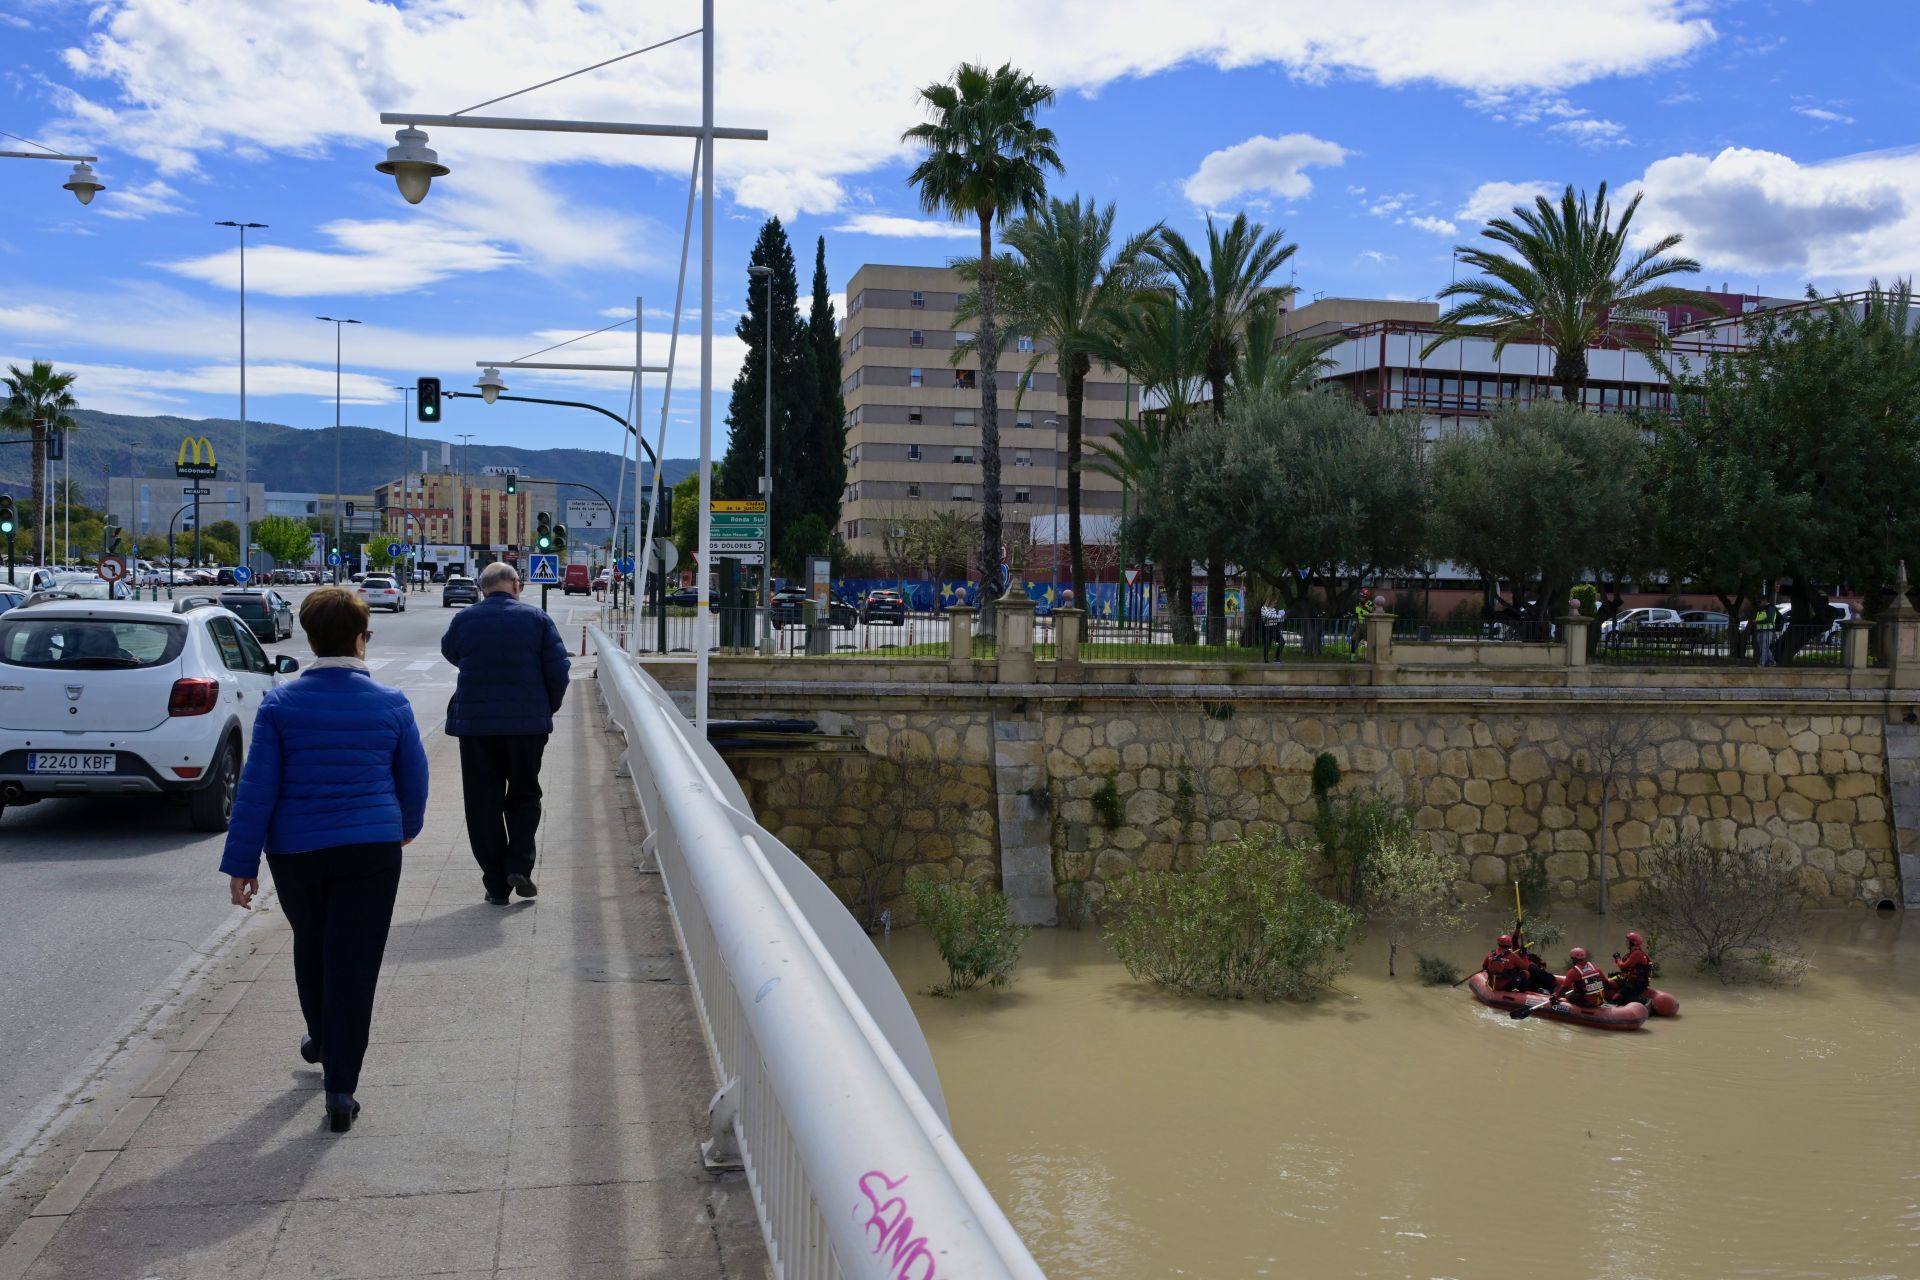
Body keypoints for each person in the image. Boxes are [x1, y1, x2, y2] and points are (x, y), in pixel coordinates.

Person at [222, 587, 428, 1134]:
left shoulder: (280, 705)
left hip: (297, 851)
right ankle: (340, 1089)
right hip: (371, 848)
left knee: (312, 945)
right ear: (362, 639)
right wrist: (404, 829)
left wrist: (242, 863)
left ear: (310, 640)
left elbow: (256, 789)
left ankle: (321, 1036)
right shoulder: (392, 703)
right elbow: (414, 780)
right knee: (355, 963)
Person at [442, 561, 570, 905]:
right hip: (527, 727)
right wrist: (545, 708)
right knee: (525, 794)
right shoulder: (537, 619)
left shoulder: (464, 619)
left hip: (476, 727)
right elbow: (559, 671)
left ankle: (496, 885)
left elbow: (451, 651)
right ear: (515, 585)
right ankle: (519, 866)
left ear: (482, 588)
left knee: (482, 804)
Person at [1612, 931, 1653, 1005]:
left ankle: (1644, 1001)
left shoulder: (1637, 954)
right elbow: (1624, 969)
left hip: (1637, 984)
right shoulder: (1633, 953)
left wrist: (1618, 958)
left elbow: (1622, 966)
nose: (1626, 942)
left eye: (1628, 941)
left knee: (1616, 998)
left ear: (1633, 943)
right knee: (1610, 984)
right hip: (1632, 981)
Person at [1753, 597, 1780, 667]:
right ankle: (1772, 662)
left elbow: (1769, 619)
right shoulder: (1762, 609)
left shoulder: (1770, 608)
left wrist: (1757, 622)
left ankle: (1762, 663)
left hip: (1767, 631)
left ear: (1764, 601)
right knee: (1764, 648)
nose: (1758, 604)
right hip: (1760, 630)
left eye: (1759, 602)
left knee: (1764, 648)